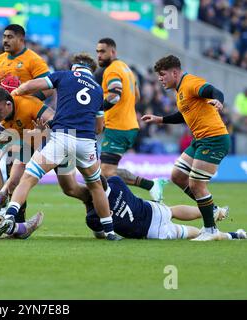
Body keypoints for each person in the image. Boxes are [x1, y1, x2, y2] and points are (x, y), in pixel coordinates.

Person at [0, 52, 120, 241]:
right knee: (95, 186)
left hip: (61, 138)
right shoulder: (99, 90)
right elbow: (99, 128)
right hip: (86, 142)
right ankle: (110, 232)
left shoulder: (64, 75)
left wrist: (16, 92)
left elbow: (32, 85)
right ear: (91, 70)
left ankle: (9, 217)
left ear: (74, 66)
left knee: (28, 178)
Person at [142, 55, 231, 241]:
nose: (160, 78)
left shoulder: (190, 83)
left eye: (163, 74)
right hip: (199, 140)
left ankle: (210, 230)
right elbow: (184, 115)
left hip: (213, 139)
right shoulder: (180, 90)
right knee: (177, 176)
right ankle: (213, 210)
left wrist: (218, 100)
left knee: (196, 184)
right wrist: (161, 119)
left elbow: (214, 90)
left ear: (175, 72)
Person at [0, 86, 54, 225]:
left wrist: (44, 129)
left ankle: (16, 223)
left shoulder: (29, 103)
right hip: (8, 138)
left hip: (33, 141)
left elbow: (54, 118)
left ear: (8, 104)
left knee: (15, 182)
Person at [96, 38, 167, 201]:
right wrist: (125, 108)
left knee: (106, 172)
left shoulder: (112, 70)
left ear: (113, 52)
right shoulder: (127, 69)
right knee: (106, 170)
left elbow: (114, 95)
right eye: (97, 52)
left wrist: (98, 108)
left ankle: (132, 203)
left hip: (118, 127)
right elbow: (138, 96)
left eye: (102, 51)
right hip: (128, 126)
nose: (99, 55)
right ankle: (151, 186)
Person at [85, 176, 243, 241]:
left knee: (185, 231)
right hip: (151, 209)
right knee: (172, 211)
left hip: (149, 231)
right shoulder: (116, 181)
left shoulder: (92, 216)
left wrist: (87, 204)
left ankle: (232, 235)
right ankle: (213, 211)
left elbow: (99, 234)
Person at [0, 24, 51, 101]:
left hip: (27, 110)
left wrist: (28, 101)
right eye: (4, 37)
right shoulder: (0, 58)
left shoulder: (34, 59)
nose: (5, 40)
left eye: (10, 37)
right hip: (5, 108)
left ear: (21, 39)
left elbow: (48, 89)